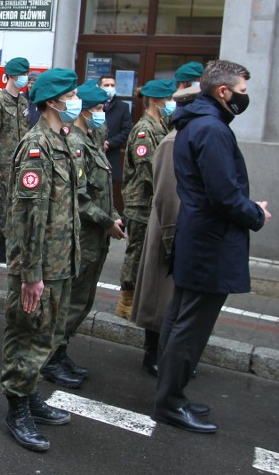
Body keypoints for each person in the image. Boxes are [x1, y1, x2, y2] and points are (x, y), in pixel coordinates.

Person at [153, 60, 271, 433]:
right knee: (191, 326)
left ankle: (168, 395)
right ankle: (170, 402)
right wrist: (256, 213)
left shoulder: (195, 122)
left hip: (198, 235)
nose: (244, 98)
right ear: (223, 92)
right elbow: (223, 196)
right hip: (211, 241)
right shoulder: (212, 129)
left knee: (179, 317)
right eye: (242, 92)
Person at [1, 68, 80, 452]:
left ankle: (31, 396)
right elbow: (28, 218)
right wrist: (32, 274)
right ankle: (17, 410)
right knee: (27, 336)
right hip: (38, 267)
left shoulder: (62, 140)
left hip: (60, 262)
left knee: (47, 336)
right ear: (52, 101)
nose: (75, 102)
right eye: (71, 95)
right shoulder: (36, 146)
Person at [42, 81, 126, 388]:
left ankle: (61, 351)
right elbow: (79, 198)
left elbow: (102, 190)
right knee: (71, 301)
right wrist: (107, 221)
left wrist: (114, 216)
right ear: (86, 111)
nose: (104, 113)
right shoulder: (74, 144)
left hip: (98, 234)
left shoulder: (93, 138)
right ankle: (50, 358)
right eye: (100, 108)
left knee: (84, 299)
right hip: (83, 236)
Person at [130, 88, 197, 376]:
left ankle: (163, 351)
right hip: (150, 212)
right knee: (155, 290)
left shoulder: (168, 130)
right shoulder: (153, 132)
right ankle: (152, 352)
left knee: (165, 294)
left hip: (160, 214)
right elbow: (152, 176)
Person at [115, 79, 176, 320]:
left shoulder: (162, 125)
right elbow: (148, 171)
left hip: (151, 202)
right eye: (167, 99)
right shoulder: (145, 130)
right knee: (137, 251)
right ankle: (126, 300)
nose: (171, 103)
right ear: (154, 101)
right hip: (141, 202)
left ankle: (139, 297)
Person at [0, 57, 31, 270]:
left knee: (13, 210)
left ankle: (4, 249)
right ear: (11, 75)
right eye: (22, 74)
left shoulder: (22, 102)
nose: (26, 79)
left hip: (19, 166)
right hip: (2, 166)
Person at [100, 75, 133, 216]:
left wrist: (110, 143)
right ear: (100, 87)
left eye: (112, 85)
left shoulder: (122, 107)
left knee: (109, 194)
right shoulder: (94, 104)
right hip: (94, 153)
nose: (110, 88)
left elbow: (126, 130)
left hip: (111, 155)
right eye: (106, 85)